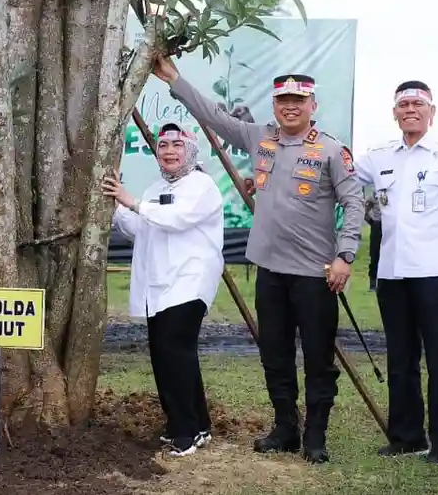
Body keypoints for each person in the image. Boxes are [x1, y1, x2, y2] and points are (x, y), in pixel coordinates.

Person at [152, 56, 365, 464]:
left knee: (318, 358)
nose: (290, 107)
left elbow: (354, 203)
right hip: (268, 270)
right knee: (275, 354)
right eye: (283, 99)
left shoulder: (332, 151)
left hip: (316, 274)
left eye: (298, 101)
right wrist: (175, 79)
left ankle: (315, 436)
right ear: (274, 103)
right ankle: (285, 427)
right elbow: (212, 115)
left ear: (312, 106)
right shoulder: (258, 138)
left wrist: (345, 254)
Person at [355, 81, 438, 467]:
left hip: (436, 272)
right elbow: (337, 173)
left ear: (431, 111)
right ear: (394, 113)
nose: (410, 109)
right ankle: (408, 437)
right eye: (403, 104)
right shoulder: (377, 158)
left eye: (418, 104)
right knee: (400, 358)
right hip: (393, 273)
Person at [102, 123, 224, 458]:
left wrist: (132, 201)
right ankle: (194, 424)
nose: (169, 151)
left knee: (174, 350)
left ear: (191, 150)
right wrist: (116, 208)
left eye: (177, 145)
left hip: (189, 280)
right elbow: (143, 227)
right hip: (159, 285)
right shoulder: (156, 187)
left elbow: (177, 219)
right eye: (163, 145)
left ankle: (186, 430)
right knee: (167, 353)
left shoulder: (202, 185)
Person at [364, 191, 382, 292]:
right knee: (375, 255)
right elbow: (364, 209)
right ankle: (372, 283)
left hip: (391, 226)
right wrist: (371, 222)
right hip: (377, 225)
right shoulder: (374, 195)